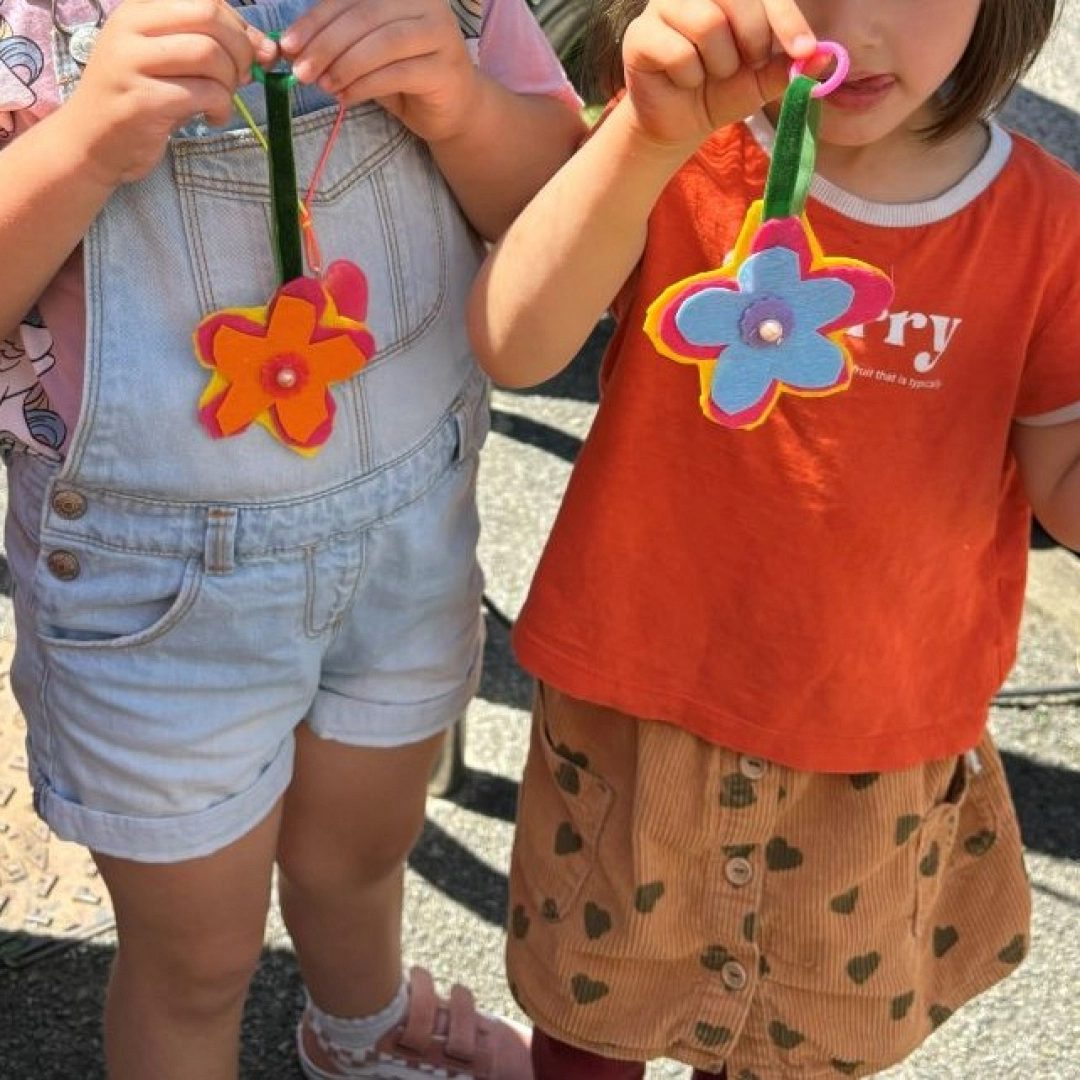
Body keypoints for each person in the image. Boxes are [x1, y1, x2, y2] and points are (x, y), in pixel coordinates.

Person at [466, 0, 1080, 1076]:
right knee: (587, 1034)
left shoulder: (1048, 226)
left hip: (875, 749)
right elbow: (516, 347)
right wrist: (644, 138)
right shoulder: (681, 145)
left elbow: (1062, 483)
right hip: (632, 715)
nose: (847, 24)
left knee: (793, 1055)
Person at [0, 0, 585, 1075]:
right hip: (155, 602)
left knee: (360, 860)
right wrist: (80, 147)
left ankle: (357, 1036)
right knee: (196, 964)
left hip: (407, 543)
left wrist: (462, 106)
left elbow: (555, 196)